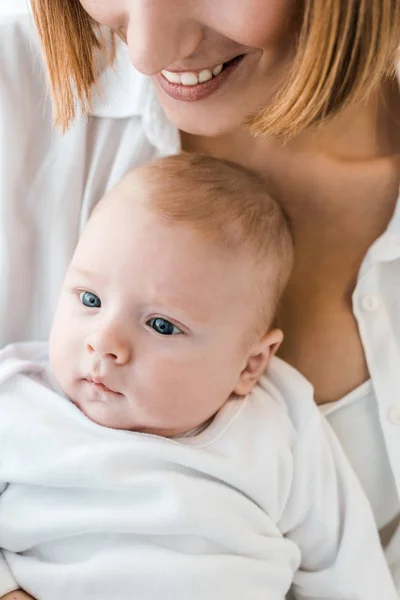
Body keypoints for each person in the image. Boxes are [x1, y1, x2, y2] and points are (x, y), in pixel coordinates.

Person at [0, 0, 400, 597]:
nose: (145, 54)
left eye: (163, 325)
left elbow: (355, 575)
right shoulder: (22, 396)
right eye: (86, 298)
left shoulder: (280, 429)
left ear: (254, 363)